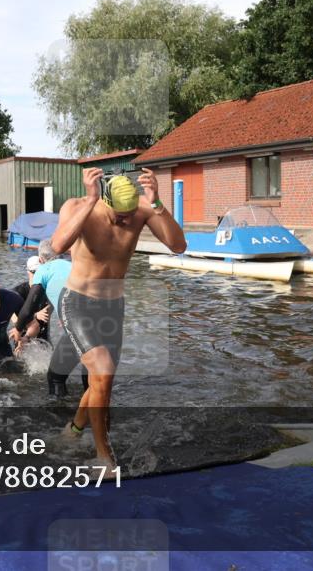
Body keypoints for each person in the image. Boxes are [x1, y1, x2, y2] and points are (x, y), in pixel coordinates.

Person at [51, 168, 186, 470]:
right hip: (78, 303)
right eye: (119, 215)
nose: (126, 221)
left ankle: (73, 430)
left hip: (113, 307)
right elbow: (58, 246)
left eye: (129, 215)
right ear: (104, 200)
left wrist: (157, 204)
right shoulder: (77, 207)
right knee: (103, 373)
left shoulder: (140, 210)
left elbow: (178, 246)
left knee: (103, 383)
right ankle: (104, 458)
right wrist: (89, 201)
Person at [14, 240, 84, 396]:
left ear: (40, 259)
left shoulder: (44, 270)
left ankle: (59, 415)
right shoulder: (72, 265)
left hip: (79, 328)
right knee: (91, 379)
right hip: (100, 322)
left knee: (55, 378)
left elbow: (27, 308)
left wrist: (18, 329)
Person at [13, 255, 52, 342]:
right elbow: (14, 319)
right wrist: (35, 315)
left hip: (44, 338)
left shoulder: (49, 290)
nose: (38, 275)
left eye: (40, 272)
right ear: (28, 271)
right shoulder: (18, 292)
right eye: (34, 272)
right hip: (23, 338)